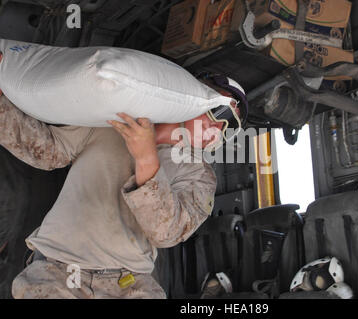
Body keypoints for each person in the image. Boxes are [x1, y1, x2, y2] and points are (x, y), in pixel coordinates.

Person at [0, 53, 247, 299]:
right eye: (221, 113)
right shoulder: (113, 121)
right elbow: (49, 150)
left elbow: (167, 233)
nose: (220, 128)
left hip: (128, 286)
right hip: (57, 272)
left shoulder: (199, 175)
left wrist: (146, 159)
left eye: (232, 127)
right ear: (195, 98)